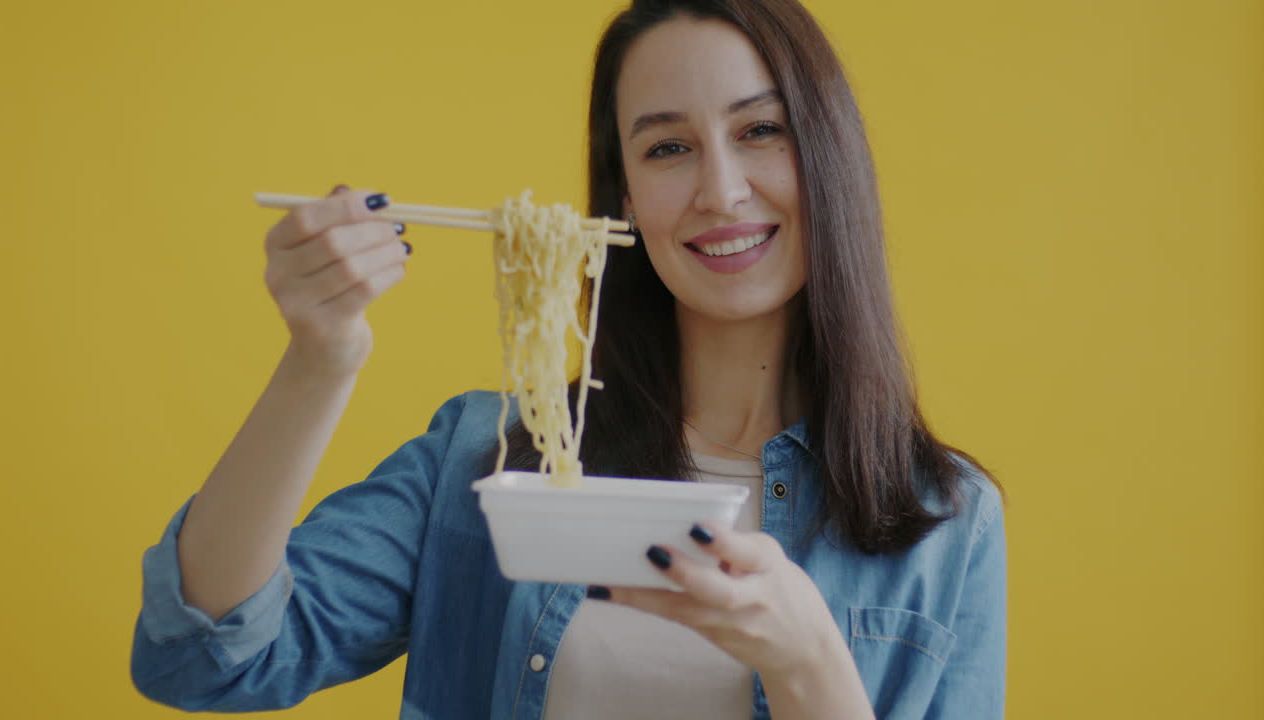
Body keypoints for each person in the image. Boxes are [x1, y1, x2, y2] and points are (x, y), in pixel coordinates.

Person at [131, 1, 1006, 718]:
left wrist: (809, 657)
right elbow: (203, 657)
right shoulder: (486, 463)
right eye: (668, 147)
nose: (721, 190)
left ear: (828, 152)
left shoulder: (949, 521)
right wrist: (319, 360)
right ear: (623, 198)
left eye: (761, 130)